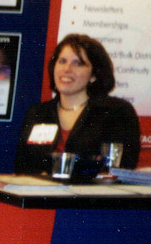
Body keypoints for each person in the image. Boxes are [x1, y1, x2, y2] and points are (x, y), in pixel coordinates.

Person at [14, 34, 140, 175]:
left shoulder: (116, 112)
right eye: (62, 61)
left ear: (93, 75)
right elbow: (22, 168)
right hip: (40, 195)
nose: (67, 69)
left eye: (78, 63)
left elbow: (121, 169)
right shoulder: (37, 113)